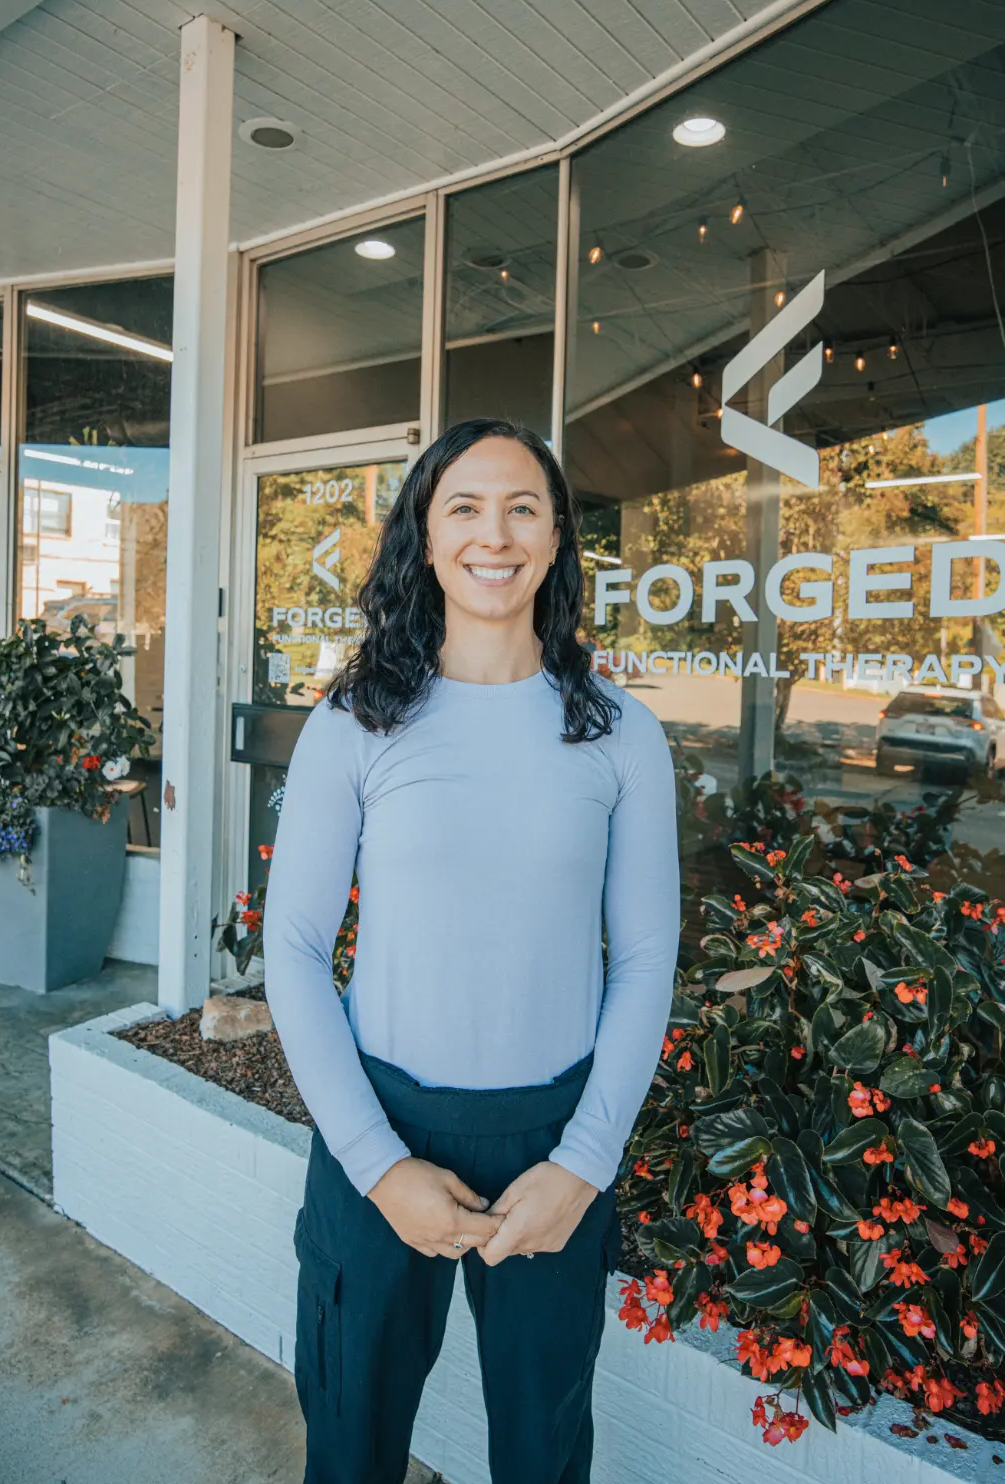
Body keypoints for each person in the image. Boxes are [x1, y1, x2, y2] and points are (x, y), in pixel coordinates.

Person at [264, 417, 680, 1484]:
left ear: (556, 538)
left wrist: (584, 1164)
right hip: (381, 1128)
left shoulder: (621, 733)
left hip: (553, 1144)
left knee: (544, 1455)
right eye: (465, 507)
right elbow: (296, 947)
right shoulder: (356, 723)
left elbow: (644, 958)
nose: (494, 535)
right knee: (350, 1447)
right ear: (426, 533)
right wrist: (376, 1165)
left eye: (522, 508)